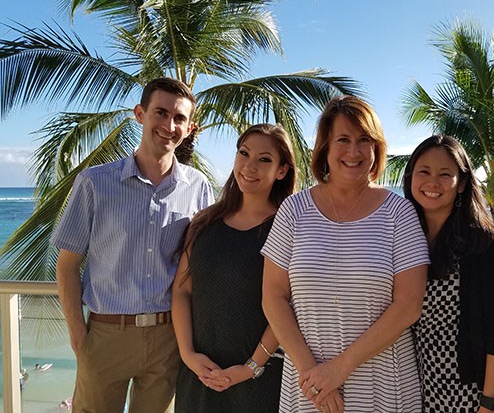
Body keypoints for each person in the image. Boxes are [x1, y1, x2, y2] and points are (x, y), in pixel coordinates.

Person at [52, 77, 214, 412]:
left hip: (169, 338)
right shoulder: (95, 183)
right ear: (140, 114)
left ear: (190, 127)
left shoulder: (198, 187)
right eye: (161, 112)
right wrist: (80, 339)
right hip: (106, 335)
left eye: (179, 118)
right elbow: (67, 265)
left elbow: (199, 267)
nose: (169, 125)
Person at [261, 95, 429, 413]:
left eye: (364, 140)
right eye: (343, 139)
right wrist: (314, 377)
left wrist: (339, 369)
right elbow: (273, 297)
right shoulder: (294, 210)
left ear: (377, 148)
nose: (353, 151)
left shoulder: (399, 213)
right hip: (308, 388)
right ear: (325, 147)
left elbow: (409, 305)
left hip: (384, 387)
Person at [172, 123, 295, 412]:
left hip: (259, 380)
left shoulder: (288, 228)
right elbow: (181, 291)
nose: (249, 166)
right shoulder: (203, 222)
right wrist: (188, 354)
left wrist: (251, 367)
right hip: (199, 376)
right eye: (244, 154)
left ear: (281, 170)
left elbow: (288, 306)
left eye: (264, 159)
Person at [402, 135, 494, 413]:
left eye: (445, 174)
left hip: (471, 395)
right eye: (424, 172)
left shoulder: (487, 246)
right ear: (410, 178)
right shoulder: (406, 238)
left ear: (462, 184)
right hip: (417, 390)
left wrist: (489, 405)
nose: (433, 182)